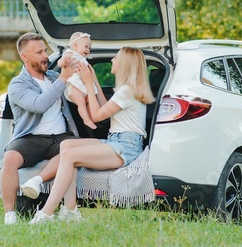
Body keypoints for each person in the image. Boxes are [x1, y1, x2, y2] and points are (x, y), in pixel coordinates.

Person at [28, 47, 155, 224]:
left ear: (125, 63)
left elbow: (96, 116)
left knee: (70, 155)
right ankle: (70, 211)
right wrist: (93, 77)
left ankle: (46, 214)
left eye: (115, 58)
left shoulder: (127, 91)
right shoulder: (126, 89)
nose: (112, 60)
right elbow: (104, 107)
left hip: (126, 147)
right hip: (116, 141)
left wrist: (88, 84)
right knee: (66, 146)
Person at [0, 32, 81, 225]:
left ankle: (37, 181)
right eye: (39, 52)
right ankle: (9, 214)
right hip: (31, 137)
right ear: (25, 57)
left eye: (45, 50)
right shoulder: (17, 84)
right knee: (10, 158)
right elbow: (39, 105)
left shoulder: (53, 77)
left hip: (61, 136)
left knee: (75, 151)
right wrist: (63, 79)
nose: (45, 55)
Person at [58, 32, 99, 130]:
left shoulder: (83, 58)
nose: (88, 50)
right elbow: (59, 63)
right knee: (81, 102)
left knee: (91, 99)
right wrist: (64, 61)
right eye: (86, 46)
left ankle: (93, 117)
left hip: (83, 84)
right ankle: (86, 120)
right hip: (73, 85)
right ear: (75, 46)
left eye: (89, 48)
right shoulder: (69, 53)